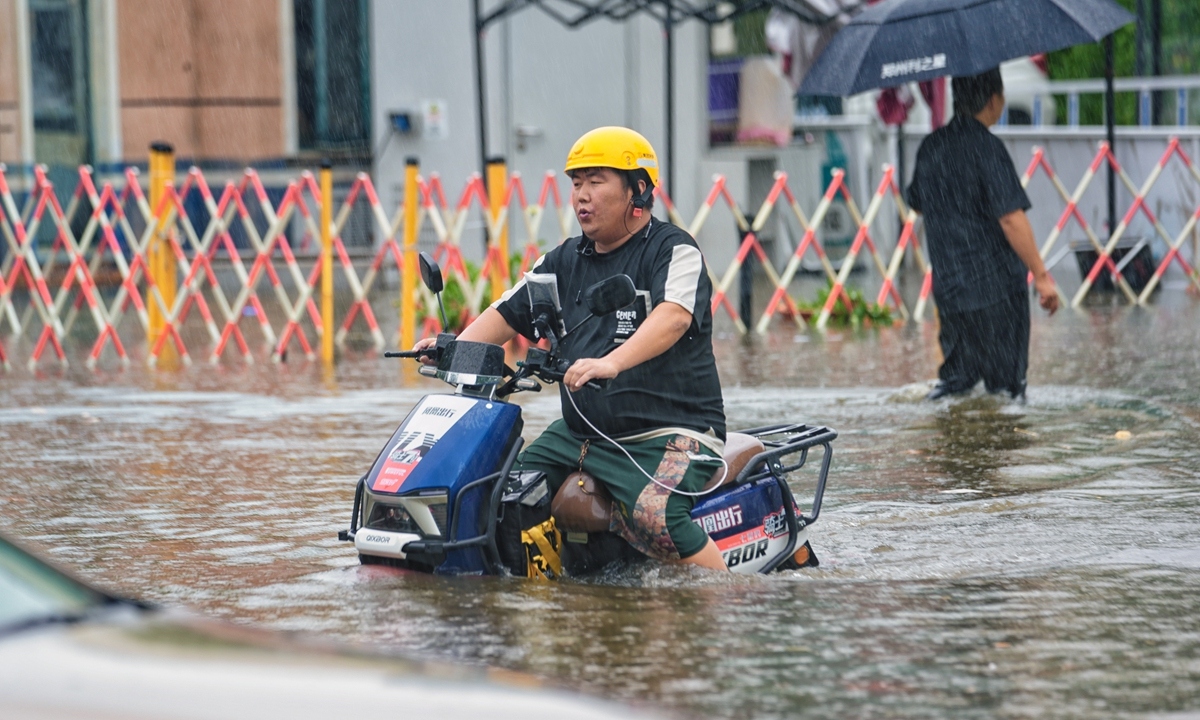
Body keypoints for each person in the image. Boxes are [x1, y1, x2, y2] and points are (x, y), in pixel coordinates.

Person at [413, 127, 728, 570]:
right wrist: (451, 349)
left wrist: (611, 362)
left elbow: (674, 316)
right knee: (500, 490)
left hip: (669, 436)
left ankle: (730, 602)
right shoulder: (562, 261)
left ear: (638, 189)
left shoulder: (673, 250)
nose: (581, 195)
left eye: (596, 181)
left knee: (657, 516)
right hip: (580, 437)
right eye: (576, 182)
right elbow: (506, 312)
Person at [906, 67, 1059, 401]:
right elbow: (1011, 219)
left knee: (958, 385)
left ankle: (955, 445)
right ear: (994, 99)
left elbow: (917, 203)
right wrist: (1042, 277)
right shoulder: (988, 149)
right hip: (997, 292)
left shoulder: (931, 147)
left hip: (951, 292)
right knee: (1005, 391)